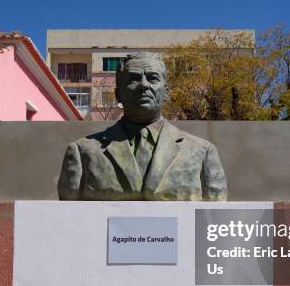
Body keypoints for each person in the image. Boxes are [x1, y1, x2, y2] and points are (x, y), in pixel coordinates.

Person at [57, 52, 227, 201]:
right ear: (118, 94)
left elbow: (213, 220)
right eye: (133, 79)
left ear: (166, 92)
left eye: (152, 78)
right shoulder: (82, 152)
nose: (144, 85)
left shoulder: (202, 153)